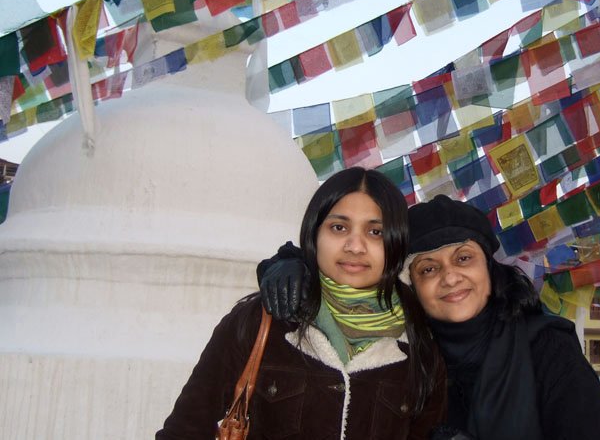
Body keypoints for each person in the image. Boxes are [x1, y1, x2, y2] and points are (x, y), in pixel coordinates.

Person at [259, 194, 600, 439]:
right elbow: (348, 276)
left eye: (463, 258)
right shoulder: (404, 354)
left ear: (490, 271)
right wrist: (290, 263)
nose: (449, 278)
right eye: (428, 269)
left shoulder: (545, 348)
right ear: (412, 287)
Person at [156, 167, 446, 439]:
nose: (355, 246)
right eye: (339, 228)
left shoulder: (418, 342)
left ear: (396, 243)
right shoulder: (261, 320)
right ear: (314, 233)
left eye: (375, 232)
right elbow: (184, 430)